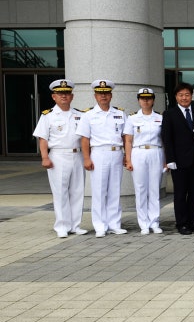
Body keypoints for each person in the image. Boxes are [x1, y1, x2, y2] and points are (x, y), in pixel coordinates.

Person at [32, 79, 87, 238]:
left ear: (72, 96)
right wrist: (44, 157)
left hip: (77, 155)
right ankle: (62, 226)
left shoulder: (79, 115)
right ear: (53, 96)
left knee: (77, 191)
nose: (64, 96)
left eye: (67, 93)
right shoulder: (48, 116)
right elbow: (42, 138)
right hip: (58, 155)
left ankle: (75, 225)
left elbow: (84, 137)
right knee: (60, 192)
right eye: (60, 94)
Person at [76, 79, 127, 237]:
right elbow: (84, 139)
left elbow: (125, 136)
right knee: (99, 191)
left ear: (111, 95)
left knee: (114, 190)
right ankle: (99, 225)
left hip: (117, 153)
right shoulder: (88, 115)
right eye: (100, 94)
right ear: (95, 96)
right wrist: (86, 158)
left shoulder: (119, 113)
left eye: (106, 93)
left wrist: (126, 155)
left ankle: (114, 224)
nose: (103, 96)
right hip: (98, 153)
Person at [161, 82, 194, 235]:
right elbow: (167, 139)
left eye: (187, 95)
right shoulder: (169, 114)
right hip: (178, 161)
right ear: (176, 97)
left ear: (191, 96)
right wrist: (170, 159)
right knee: (180, 194)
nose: (184, 98)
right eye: (181, 95)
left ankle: (193, 222)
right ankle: (182, 224)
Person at [123, 88, 165, 235]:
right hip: (138, 152)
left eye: (148, 98)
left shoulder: (160, 118)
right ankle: (143, 223)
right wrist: (128, 159)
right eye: (142, 98)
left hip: (156, 152)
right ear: (139, 100)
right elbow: (128, 140)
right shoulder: (132, 118)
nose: (145, 101)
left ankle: (154, 222)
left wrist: (165, 160)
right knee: (140, 189)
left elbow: (164, 140)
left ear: (153, 100)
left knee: (154, 189)